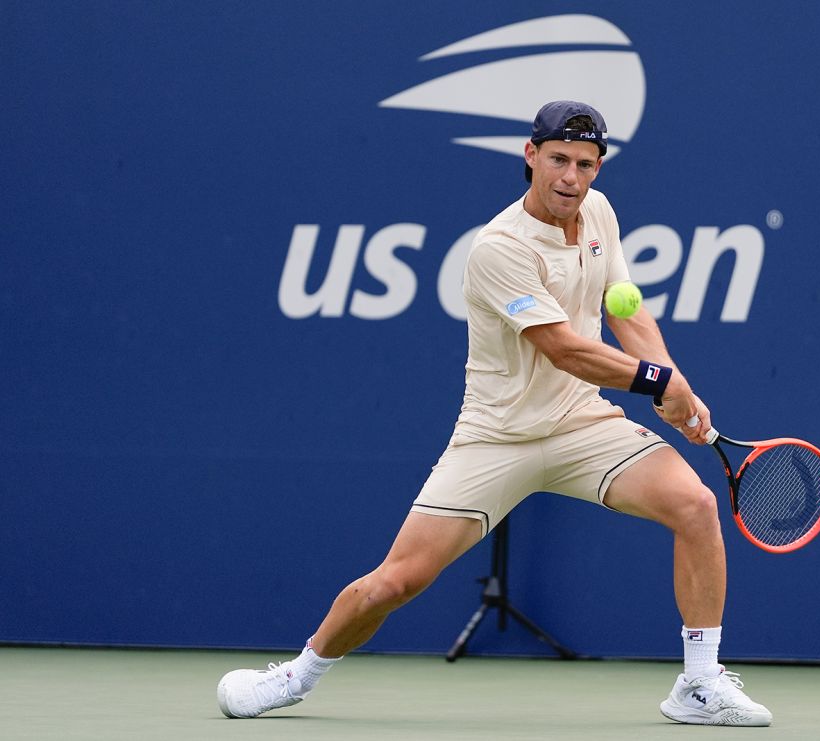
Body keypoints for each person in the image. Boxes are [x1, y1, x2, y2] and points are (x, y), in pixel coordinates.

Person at [217, 100, 772, 727]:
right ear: (530, 155)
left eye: (585, 164)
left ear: (599, 169)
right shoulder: (498, 248)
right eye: (558, 159)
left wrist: (680, 388)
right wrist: (656, 381)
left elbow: (625, 309)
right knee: (397, 582)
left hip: (582, 426)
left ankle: (697, 684)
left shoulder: (599, 214)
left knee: (696, 507)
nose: (570, 177)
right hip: (495, 440)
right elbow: (562, 348)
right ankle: (297, 674)